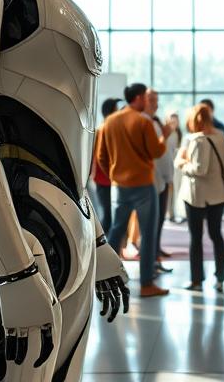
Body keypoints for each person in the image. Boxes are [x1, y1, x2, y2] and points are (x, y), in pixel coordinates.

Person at [96, 83, 170, 298]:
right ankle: (146, 284)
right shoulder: (142, 122)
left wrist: (114, 175)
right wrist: (164, 134)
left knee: (116, 231)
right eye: (145, 97)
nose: (148, 101)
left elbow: (101, 156)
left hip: (120, 186)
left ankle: (106, 278)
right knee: (148, 234)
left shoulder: (109, 122)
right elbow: (156, 152)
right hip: (143, 186)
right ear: (138, 98)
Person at [175, 103, 224, 293]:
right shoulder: (220, 136)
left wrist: (182, 163)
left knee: (196, 238)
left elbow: (199, 169)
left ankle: (196, 280)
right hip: (218, 195)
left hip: (196, 196)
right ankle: (220, 278)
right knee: (217, 236)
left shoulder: (197, 140)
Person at [145, 88, 173, 272]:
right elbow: (157, 153)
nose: (156, 104)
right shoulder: (146, 123)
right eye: (152, 100)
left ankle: (154, 256)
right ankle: (151, 263)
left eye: (157, 100)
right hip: (154, 182)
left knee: (158, 222)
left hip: (160, 181)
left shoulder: (155, 122)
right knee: (152, 223)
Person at [91, 97, 121, 235]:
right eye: (116, 109)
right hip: (104, 178)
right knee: (106, 215)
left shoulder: (108, 129)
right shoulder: (103, 129)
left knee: (109, 214)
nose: (118, 112)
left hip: (108, 177)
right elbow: (98, 156)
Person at [199, 98, 224, 220]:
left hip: (216, 166)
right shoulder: (195, 128)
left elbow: (223, 148)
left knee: (219, 191)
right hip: (201, 168)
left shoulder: (220, 128)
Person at [165, 111, 184, 223]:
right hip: (167, 165)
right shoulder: (166, 134)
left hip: (175, 166)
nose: (173, 123)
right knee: (168, 191)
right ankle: (169, 214)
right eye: (171, 121)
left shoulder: (178, 133)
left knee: (174, 190)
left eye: (175, 121)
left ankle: (172, 213)